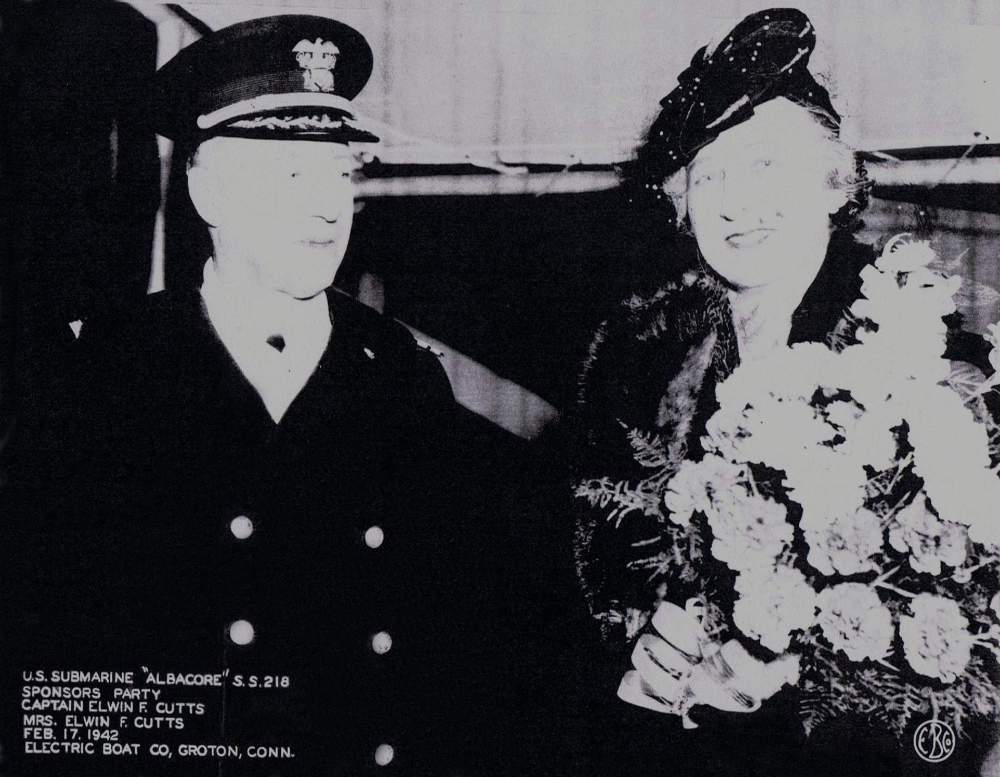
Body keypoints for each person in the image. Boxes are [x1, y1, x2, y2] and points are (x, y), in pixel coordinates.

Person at [1, 15, 504, 777]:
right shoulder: (98, 373)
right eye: (289, 176)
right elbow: (41, 656)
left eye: (339, 174)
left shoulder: (399, 374)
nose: (327, 206)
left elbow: (460, 640)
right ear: (207, 190)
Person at [569, 8, 998, 777]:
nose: (738, 201)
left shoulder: (923, 356)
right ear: (681, 203)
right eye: (711, 175)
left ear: (835, 184)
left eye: (766, 162)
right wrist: (640, 649)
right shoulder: (636, 363)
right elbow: (585, 581)